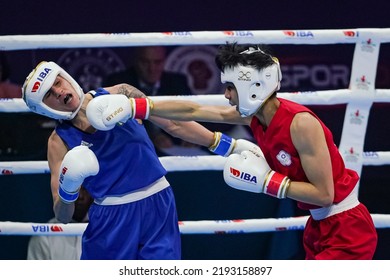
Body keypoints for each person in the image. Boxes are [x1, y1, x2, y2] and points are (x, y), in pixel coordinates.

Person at [87, 43, 378, 260]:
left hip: (346, 229)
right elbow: (196, 109)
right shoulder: (256, 116)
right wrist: (140, 106)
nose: (225, 94)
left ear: (252, 86)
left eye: (229, 87)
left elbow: (324, 194)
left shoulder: (301, 124)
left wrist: (268, 182)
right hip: (318, 226)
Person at [21, 60, 260, 260]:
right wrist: (68, 187)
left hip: (158, 203)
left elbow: (173, 123)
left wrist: (228, 146)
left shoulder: (120, 93)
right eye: (49, 94)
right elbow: (62, 215)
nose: (59, 91)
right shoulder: (58, 142)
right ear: (43, 107)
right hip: (111, 219)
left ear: (67, 77)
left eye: (58, 82)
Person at [104, 46, 202, 156]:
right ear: (136, 61)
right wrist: (152, 137)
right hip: (136, 150)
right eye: (145, 62)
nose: (152, 68)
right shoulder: (119, 83)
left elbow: (191, 115)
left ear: (164, 61)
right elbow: (118, 126)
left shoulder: (177, 82)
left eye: (157, 62)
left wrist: (190, 136)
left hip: (175, 150)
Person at [27, 187, 93, 260]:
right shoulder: (44, 236)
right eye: (74, 189)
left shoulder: (103, 231)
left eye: (85, 189)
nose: (80, 196)